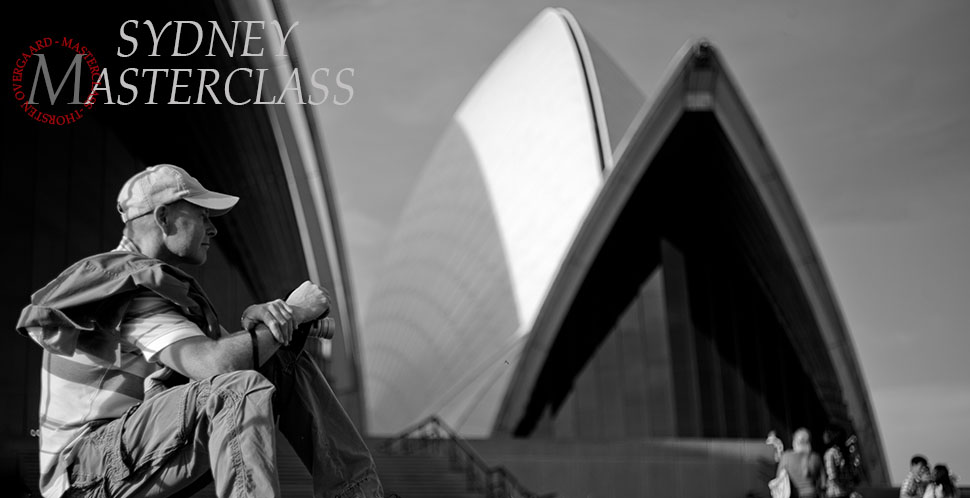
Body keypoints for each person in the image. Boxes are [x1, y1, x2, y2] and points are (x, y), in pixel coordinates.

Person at [16, 164, 384, 498]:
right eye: (202, 215)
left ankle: (359, 494)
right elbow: (218, 368)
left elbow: (233, 354)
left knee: (283, 362)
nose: (213, 228)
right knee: (236, 389)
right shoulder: (128, 286)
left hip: (123, 456)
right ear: (163, 217)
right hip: (85, 475)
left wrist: (262, 319)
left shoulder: (150, 285)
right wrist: (293, 310)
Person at [776, 428, 823, 498]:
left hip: (794, 495)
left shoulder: (786, 457)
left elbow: (778, 478)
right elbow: (823, 482)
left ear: (795, 441)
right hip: (812, 494)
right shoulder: (815, 457)